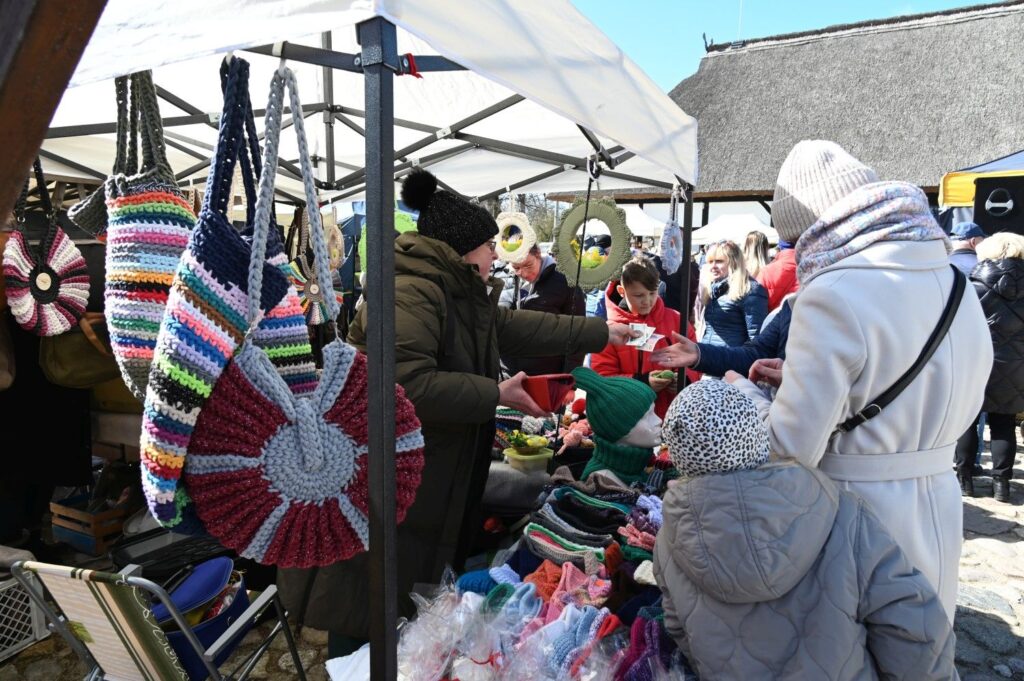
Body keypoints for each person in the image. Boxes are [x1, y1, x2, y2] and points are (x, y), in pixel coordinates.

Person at [277, 169, 639, 655]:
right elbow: (404, 384)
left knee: (398, 598)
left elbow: (520, 327)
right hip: (387, 475)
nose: (496, 255)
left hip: (425, 473)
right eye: (489, 245)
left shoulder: (454, 291)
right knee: (365, 597)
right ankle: (350, 666)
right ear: (463, 249)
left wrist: (601, 333)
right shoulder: (411, 292)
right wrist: (495, 393)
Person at [726, 140, 992, 622]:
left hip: (859, 515)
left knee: (861, 647)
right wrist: (808, 381)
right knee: (924, 641)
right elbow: (945, 382)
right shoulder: (957, 282)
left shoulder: (831, 293)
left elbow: (789, 449)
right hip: (939, 500)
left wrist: (746, 395)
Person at [653, 381, 957, 681]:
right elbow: (911, 620)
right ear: (756, 433)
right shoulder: (841, 510)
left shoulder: (669, 541)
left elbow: (680, 628)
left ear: (680, 457)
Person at [955, 232, 1024, 502]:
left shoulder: (970, 288)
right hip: (1015, 367)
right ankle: (1001, 486)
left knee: (967, 421)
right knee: (1004, 423)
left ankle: (964, 480)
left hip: (974, 363)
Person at [591, 256, 699, 418]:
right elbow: (603, 378)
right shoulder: (610, 331)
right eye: (639, 295)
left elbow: (695, 362)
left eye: (652, 293)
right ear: (622, 291)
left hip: (673, 415)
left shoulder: (677, 321)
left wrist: (684, 379)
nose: (647, 301)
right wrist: (642, 382)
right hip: (630, 419)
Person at [652, 295, 793, 379]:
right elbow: (756, 353)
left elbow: (754, 330)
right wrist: (700, 354)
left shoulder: (752, 291)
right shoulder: (791, 305)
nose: (713, 266)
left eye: (719, 261)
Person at [502, 243, 586, 376]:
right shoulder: (503, 279)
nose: (523, 273)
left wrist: (569, 377)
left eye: (528, 265)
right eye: (516, 267)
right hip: (508, 374)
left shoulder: (565, 281)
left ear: (538, 254)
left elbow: (577, 333)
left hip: (547, 374)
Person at [697, 240, 768, 351]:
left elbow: (756, 337)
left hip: (732, 358)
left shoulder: (750, 290)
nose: (713, 266)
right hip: (709, 356)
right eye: (710, 262)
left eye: (719, 261)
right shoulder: (713, 289)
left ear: (733, 262)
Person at [757, 238, 799, 311]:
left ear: (780, 247)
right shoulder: (813, 266)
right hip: (804, 316)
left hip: (774, 316)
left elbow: (757, 305)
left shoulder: (766, 272)